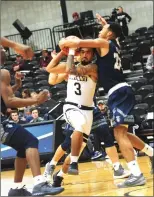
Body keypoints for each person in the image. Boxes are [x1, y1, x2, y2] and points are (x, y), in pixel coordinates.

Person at [58, 18, 154, 188]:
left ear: (109, 34)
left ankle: (136, 174)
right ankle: (151, 153)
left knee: (119, 134)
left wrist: (66, 44)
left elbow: (78, 41)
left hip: (118, 92)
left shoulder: (104, 42)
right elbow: (112, 33)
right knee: (122, 132)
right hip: (122, 91)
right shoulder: (115, 44)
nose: (99, 31)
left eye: (103, 29)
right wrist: (105, 24)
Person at [1, 38, 64, 196]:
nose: (3, 50)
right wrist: (35, 100)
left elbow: (5, 100)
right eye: (1, 48)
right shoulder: (2, 73)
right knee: (31, 141)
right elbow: (9, 101)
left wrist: (16, 86)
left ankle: (16, 189)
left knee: (23, 148)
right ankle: (39, 184)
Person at [46, 46, 97, 176]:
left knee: (79, 147)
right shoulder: (69, 69)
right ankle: (63, 164)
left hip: (88, 111)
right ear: (77, 54)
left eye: (87, 52)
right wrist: (60, 54)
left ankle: (59, 176)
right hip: (71, 107)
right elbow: (51, 77)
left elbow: (72, 70)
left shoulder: (92, 68)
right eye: (82, 52)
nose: (84, 55)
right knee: (74, 132)